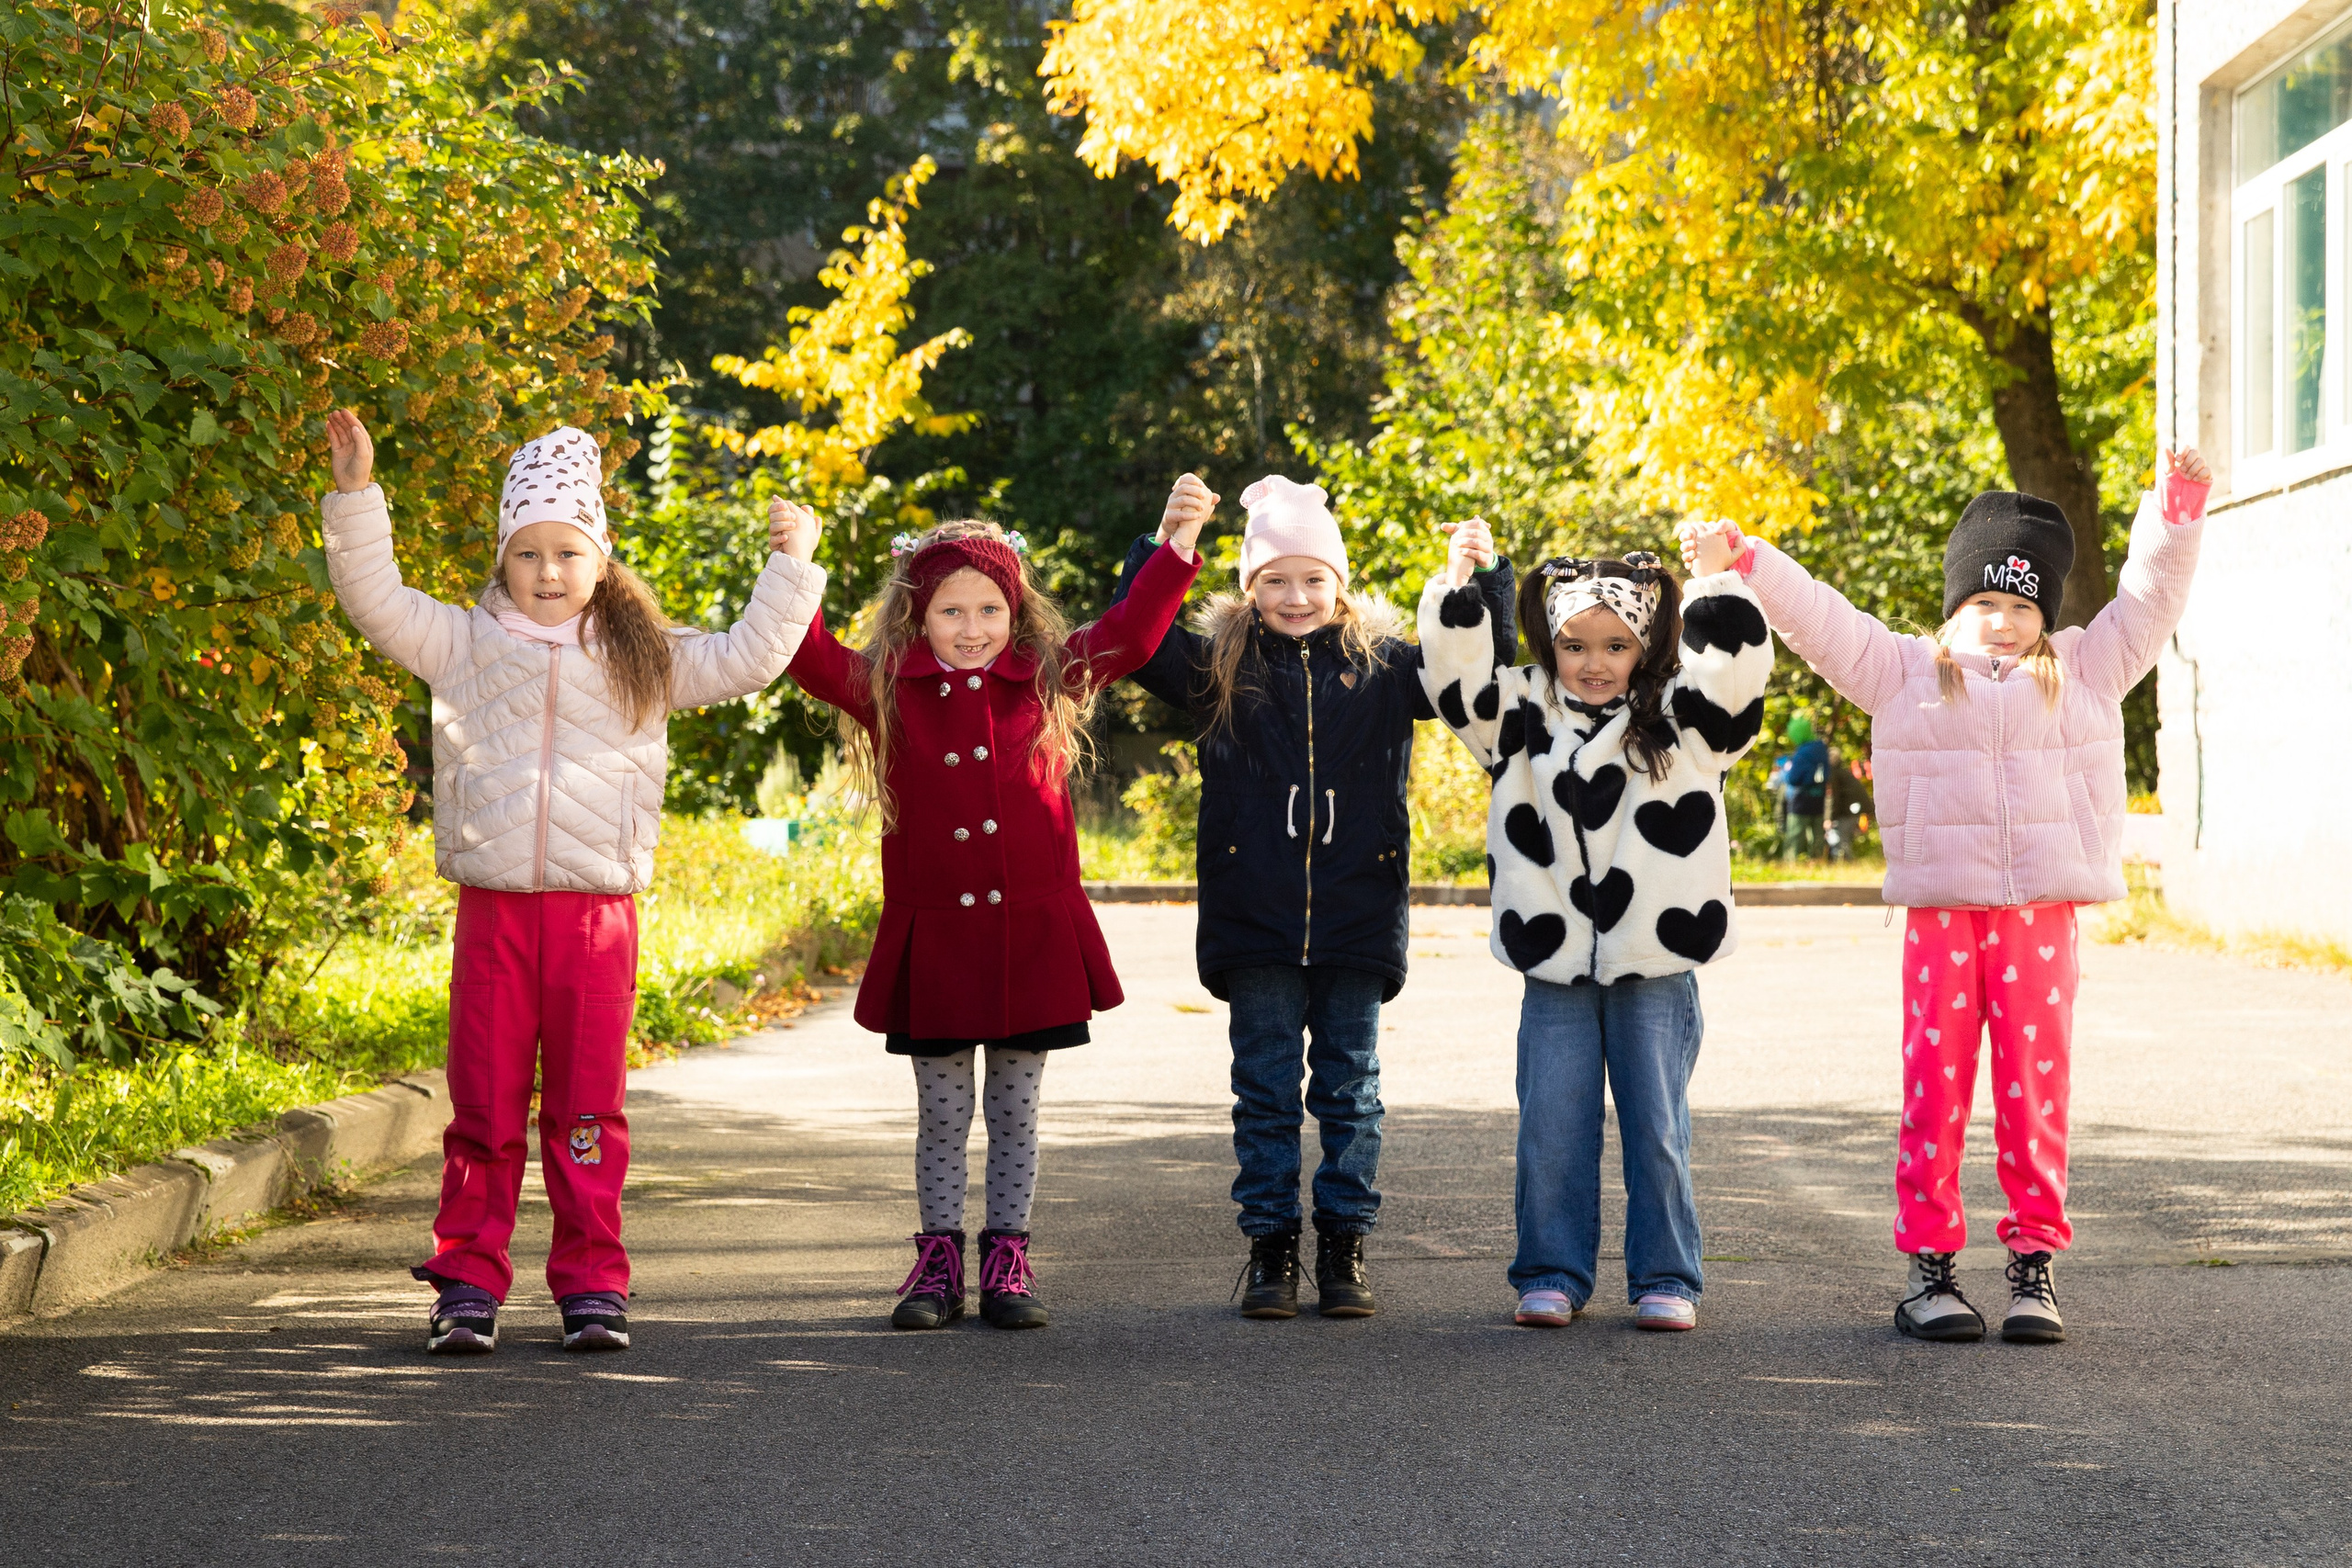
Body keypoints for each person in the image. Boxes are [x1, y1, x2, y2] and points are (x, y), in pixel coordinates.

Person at [318, 412, 828, 1356]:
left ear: (600, 559)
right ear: (503, 560)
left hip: (597, 920)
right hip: (496, 916)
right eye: (527, 554)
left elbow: (750, 656)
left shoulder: (645, 655)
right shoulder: (461, 643)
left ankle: (593, 1280)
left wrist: (792, 564)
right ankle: (467, 1279)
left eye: (566, 553)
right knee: (484, 1104)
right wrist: (355, 496)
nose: (546, 572)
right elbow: (375, 598)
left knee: (587, 1109)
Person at [1680, 447, 2212, 1345]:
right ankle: (1930, 1267)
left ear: (2044, 614)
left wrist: (2175, 510)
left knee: (2035, 1093)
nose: (2003, 623)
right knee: (1934, 1090)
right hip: (1941, 918)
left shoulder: (2087, 668)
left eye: (2023, 607)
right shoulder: (1901, 673)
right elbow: (1823, 620)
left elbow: (2149, 599)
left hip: (2041, 918)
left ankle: (2033, 1264)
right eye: (1985, 603)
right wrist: (1751, 562)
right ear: (1954, 604)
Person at [785, 499, 1204, 1330]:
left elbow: (1132, 632)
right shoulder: (887, 685)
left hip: (1030, 938)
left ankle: (1007, 1258)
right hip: (936, 938)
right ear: (918, 615)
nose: (972, 628)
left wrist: (1177, 543)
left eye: (989, 610)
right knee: (942, 1114)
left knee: (1016, 1110)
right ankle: (939, 1261)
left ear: (1016, 613)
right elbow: (808, 655)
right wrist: (795, 562)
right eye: (951, 611)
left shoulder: (1049, 674)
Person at [1107, 479, 1517, 1319]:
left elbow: (1477, 670)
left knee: (1350, 1089)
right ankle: (1270, 1245)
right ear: (1250, 585)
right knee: (1263, 1089)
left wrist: (1479, 581)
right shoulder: (1218, 665)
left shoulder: (1386, 665)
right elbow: (1135, 641)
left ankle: (1343, 1243)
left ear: (1340, 581)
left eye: (1313, 579)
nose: (1296, 597)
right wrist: (1168, 545)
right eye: (1275, 580)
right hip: (1252, 915)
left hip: (1357, 909)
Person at [1419, 532, 1774, 1332]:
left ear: (1647, 643)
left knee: (1658, 1127)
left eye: (1617, 645)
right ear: (1550, 642)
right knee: (1551, 1125)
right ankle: (1551, 1270)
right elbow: (1454, 681)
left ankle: (1667, 1277)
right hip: (1553, 962)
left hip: (1658, 959)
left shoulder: (1684, 713)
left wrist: (1715, 583)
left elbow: (1737, 678)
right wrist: (1458, 583)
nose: (1594, 662)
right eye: (1575, 645)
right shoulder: (1519, 710)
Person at [1778, 714, 1829, 860]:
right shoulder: (1821, 750)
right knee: (1817, 835)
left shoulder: (1802, 753)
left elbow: (1793, 778)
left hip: (1801, 801)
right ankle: (1818, 861)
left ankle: (1791, 862)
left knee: (1795, 835)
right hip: (1818, 798)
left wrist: (1785, 771)